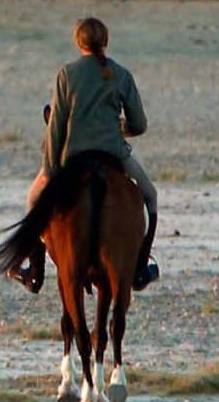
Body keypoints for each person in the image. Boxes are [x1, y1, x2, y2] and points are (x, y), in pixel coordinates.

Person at [29, 16, 158, 289]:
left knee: (33, 200)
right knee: (150, 197)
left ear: (79, 42)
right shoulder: (121, 74)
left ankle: (34, 269)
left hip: (72, 154)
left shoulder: (66, 74)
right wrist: (118, 129)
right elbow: (139, 124)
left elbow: (56, 128)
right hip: (114, 153)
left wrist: (51, 170)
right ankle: (141, 264)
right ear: (105, 41)